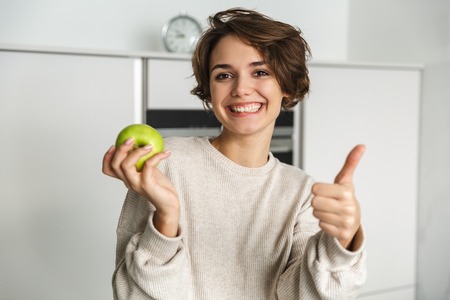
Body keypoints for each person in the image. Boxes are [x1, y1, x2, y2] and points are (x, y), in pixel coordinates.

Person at [102, 7, 367, 300]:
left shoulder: (301, 191)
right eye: (224, 75)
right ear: (210, 91)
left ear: (288, 87)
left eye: (260, 72)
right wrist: (166, 219)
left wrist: (342, 241)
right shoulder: (164, 163)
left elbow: (300, 295)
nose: (241, 88)